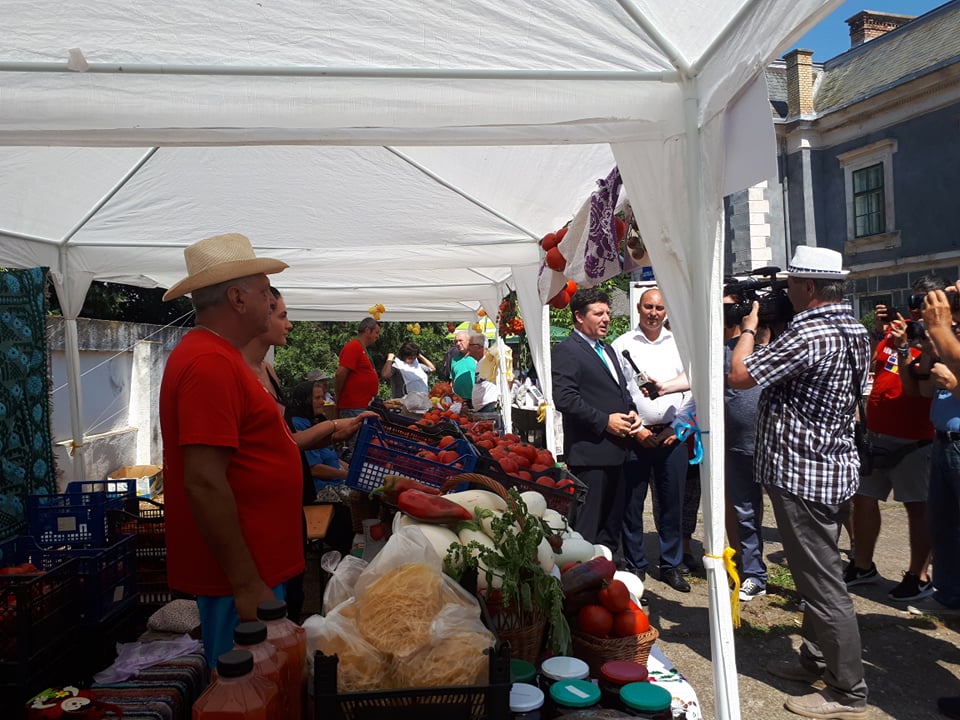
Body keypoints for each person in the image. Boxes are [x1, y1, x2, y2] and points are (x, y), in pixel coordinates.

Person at [728, 245, 870, 718]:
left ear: (808, 286)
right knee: (817, 575)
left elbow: (740, 375)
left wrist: (749, 328)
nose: (785, 293)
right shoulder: (853, 327)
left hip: (802, 475)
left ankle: (847, 690)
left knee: (824, 585)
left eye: (790, 284)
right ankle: (815, 660)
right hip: (834, 467)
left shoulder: (809, 332)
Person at [158, 233, 301, 668]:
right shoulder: (211, 364)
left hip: (254, 567)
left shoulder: (218, 356)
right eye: (264, 293)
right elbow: (203, 481)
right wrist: (246, 584)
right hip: (241, 577)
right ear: (238, 299)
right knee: (246, 687)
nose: (270, 302)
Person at [844, 276, 945, 602]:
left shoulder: (939, 338)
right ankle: (862, 565)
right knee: (863, 499)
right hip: (877, 433)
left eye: (924, 300)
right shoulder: (897, 331)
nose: (916, 307)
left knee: (917, 507)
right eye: (914, 300)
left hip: (916, 438)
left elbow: (922, 387)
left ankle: (919, 575)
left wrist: (914, 343)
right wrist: (882, 332)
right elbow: (876, 365)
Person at [612, 288, 695, 593]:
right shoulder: (622, 344)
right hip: (636, 435)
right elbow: (615, 392)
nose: (654, 313)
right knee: (632, 504)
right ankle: (636, 565)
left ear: (666, 311)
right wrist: (636, 429)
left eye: (659, 308)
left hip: (672, 436)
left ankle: (671, 564)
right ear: (638, 307)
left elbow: (694, 390)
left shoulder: (680, 344)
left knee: (672, 503)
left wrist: (679, 427)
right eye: (648, 307)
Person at [552, 288, 642, 555]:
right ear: (579, 316)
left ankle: (608, 568)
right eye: (598, 313)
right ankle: (583, 570)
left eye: (608, 313)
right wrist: (604, 421)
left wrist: (632, 410)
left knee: (611, 526)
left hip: (619, 451)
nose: (606, 319)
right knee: (588, 526)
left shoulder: (608, 350)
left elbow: (621, 390)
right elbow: (565, 398)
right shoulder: (567, 350)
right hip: (591, 454)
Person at [721, 294, 769, 601]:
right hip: (738, 445)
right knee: (745, 512)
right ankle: (754, 573)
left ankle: (811, 584)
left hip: (777, 446)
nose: (729, 314)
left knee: (794, 519)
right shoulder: (723, 351)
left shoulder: (779, 347)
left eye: (732, 307)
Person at [335, 317, 381, 417]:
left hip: (363, 406)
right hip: (354, 407)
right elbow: (340, 373)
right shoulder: (353, 346)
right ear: (368, 330)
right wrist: (337, 397)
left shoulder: (362, 348)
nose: (377, 336)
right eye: (376, 332)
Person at [466, 333, 501, 413]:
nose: (468, 347)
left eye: (470, 345)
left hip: (490, 406)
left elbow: (508, 377)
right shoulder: (481, 362)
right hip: (484, 408)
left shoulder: (490, 361)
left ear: (478, 347)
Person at [449, 330, 477, 404]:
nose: (458, 343)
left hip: (474, 399)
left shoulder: (476, 356)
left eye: (460, 340)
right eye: (456, 342)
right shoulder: (454, 359)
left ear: (469, 341)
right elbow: (453, 380)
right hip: (458, 400)